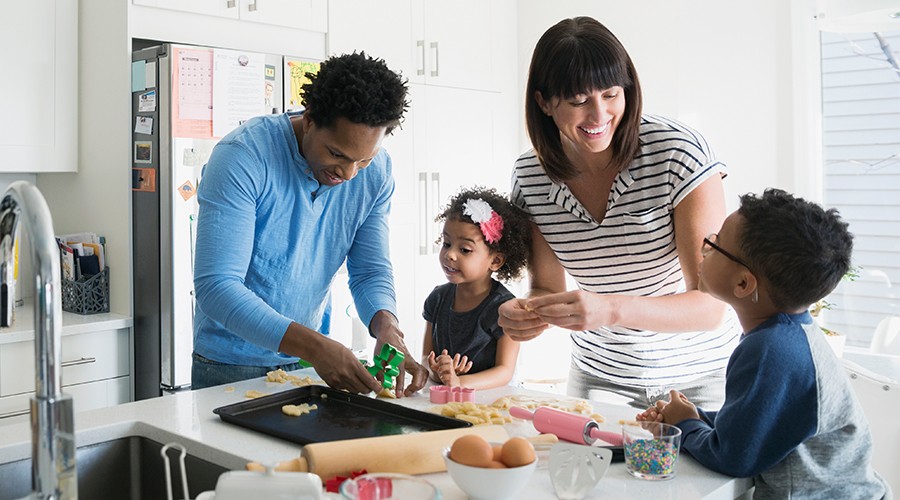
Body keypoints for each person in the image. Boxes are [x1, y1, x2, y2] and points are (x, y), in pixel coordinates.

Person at [498, 16, 740, 409]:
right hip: (599, 378)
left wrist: (609, 308)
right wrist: (528, 311)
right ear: (543, 102)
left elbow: (711, 305)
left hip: (700, 378)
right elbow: (547, 287)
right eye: (578, 101)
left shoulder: (677, 154)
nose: (599, 116)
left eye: (611, 94)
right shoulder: (530, 177)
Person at [191, 52, 428, 396]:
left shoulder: (377, 173)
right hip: (230, 365)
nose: (347, 174)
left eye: (363, 159)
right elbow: (218, 287)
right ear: (311, 118)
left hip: (308, 362)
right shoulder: (243, 156)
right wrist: (315, 347)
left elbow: (370, 271)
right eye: (337, 154)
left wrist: (386, 327)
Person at [636, 188, 890, 499]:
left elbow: (734, 457)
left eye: (714, 244)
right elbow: (764, 423)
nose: (704, 248)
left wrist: (686, 426)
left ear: (743, 283)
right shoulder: (788, 335)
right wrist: (697, 417)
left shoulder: (771, 350)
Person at [422, 187, 531, 389]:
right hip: (447, 399)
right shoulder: (437, 299)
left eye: (464, 249)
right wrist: (440, 372)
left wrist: (459, 382)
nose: (450, 255)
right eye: (447, 243)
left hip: (492, 403)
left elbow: (504, 372)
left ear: (496, 260)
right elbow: (426, 358)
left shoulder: (506, 309)